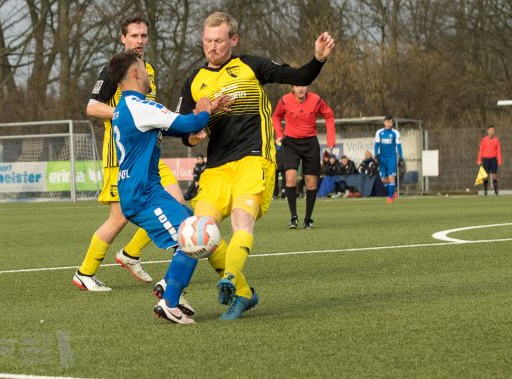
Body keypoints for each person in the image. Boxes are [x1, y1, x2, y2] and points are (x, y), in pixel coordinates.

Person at [178, 12, 335, 320]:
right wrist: (196, 130)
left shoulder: (251, 65)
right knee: (202, 236)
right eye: (207, 41)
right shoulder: (193, 82)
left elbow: (300, 77)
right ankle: (245, 294)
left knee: (241, 222)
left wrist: (317, 58)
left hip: (253, 158)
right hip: (216, 168)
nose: (212, 47)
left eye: (219, 41)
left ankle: (231, 279)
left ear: (233, 40)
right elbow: (186, 134)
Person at [73, 16, 187, 296]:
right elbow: (91, 107)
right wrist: (125, 115)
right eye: (134, 36)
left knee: (177, 203)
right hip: (121, 156)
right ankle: (85, 273)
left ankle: (131, 253)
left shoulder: (148, 69)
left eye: (143, 36)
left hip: (148, 155)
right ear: (123, 39)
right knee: (120, 217)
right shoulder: (115, 71)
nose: (139, 41)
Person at [107, 50, 220, 323]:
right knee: (190, 241)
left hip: (149, 189)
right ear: (135, 73)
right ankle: (170, 303)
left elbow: (176, 128)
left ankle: (168, 286)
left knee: (192, 226)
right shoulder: (139, 106)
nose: (148, 76)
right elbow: (188, 122)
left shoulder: (129, 108)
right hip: (142, 194)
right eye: (144, 71)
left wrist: (199, 119)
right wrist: (203, 113)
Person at [272, 85, 336, 229]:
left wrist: (331, 140)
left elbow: (329, 115)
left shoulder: (316, 100)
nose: (301, 88)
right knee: (290, 177)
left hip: (310, 143)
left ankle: (308, 219)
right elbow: (276, 116)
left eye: (303, 85)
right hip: (290, 143)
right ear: (292, 88)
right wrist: (279, 134)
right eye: (297, 86)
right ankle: (293, 217)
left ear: (308, 87)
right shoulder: (284, 100)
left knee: (311, 182)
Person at [374, 115, 403, 204]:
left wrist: (401, 157)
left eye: (391, 122)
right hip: (382, 158)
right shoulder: (379, 132)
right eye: (387, 122)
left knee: (391, 178)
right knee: (383, 180)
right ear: (384, 122)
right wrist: (376, 156)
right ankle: (393, 193)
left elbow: (399, 146)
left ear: (392, 123)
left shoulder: (395, 133)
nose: (389, 124)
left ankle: (390, 197)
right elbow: (376, 145)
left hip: (391, 158)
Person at [477, 125, 502, 195]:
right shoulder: (484, 140)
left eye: (493, 131)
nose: (492, 132)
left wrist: (499, 160)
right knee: (485, 175)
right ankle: (485, 190)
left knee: (494, 175)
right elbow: (481, 150)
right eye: (490, 130)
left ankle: (496, 190)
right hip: (485, 159)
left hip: (493, 159)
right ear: (488, 131)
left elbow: (498, 151)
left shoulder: (496, 140)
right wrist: (479, 160)